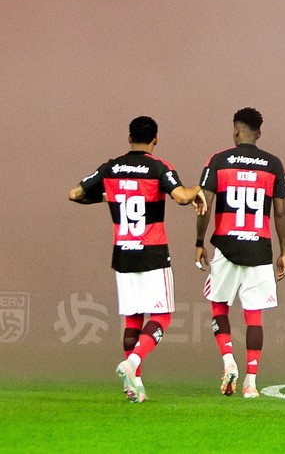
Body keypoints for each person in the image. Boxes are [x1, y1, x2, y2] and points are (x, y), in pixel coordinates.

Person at [68, 116, 205, 403]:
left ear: (129, 137)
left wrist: (109, 198)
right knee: (162, 316)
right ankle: (131, 365)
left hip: (123, 253)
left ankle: (134, 386)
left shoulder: (111, 167)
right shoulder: (158, 167)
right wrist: (197, 190)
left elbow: (76, 194)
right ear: (155, 139)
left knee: (132, 318)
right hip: (152, 252)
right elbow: (181, 197)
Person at [195, 107, 285, 399]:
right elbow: (281, 211)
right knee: (254, 316)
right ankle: (251, 382)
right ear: (258, 133)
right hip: (259, 247)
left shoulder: (219, 160)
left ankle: (227, 360)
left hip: (226, 244)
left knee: (219, 306)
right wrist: (284, 250)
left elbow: (205, 203)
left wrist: (199, 241)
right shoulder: (273, 163)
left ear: (236, 131)